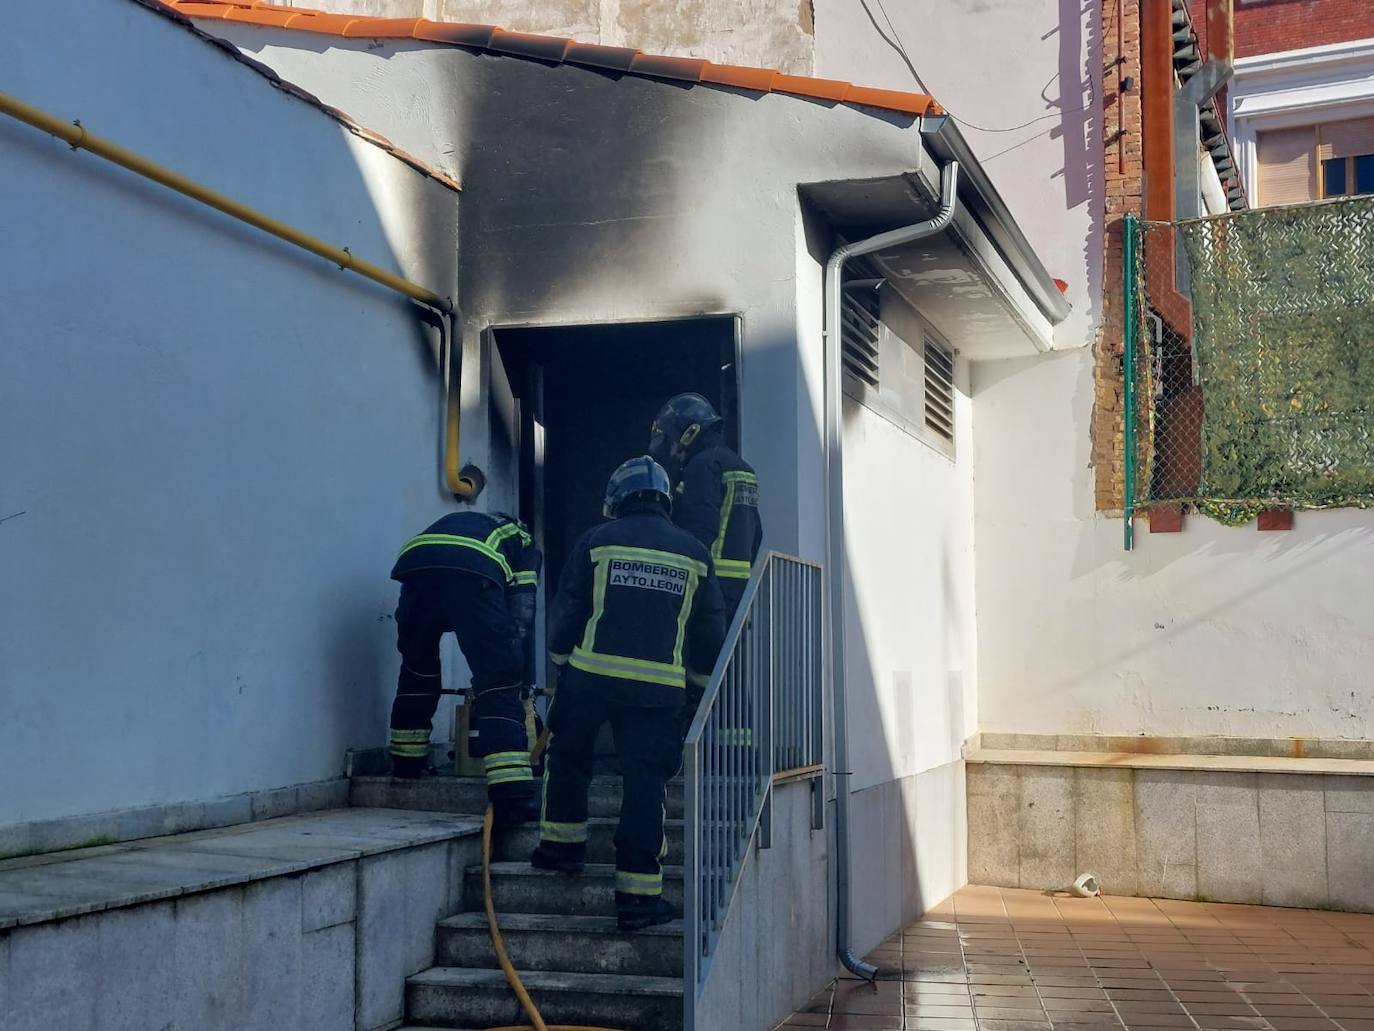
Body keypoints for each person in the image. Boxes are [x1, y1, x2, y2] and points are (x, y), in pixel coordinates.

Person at [531, 456, 725, 930]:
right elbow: (708, 634)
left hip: (589, 679)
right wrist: (697, 688)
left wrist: (561, 662)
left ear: (618, 497)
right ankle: (638, 898)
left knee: (568, 758)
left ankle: (561, 848)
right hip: (658, 692)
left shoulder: (597, 540)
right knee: (645, 785)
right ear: (665, 498)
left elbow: (568, 610)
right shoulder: (695, 553)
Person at [387, 510, 541, 826]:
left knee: (418, 670)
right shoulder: (524, 541)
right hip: (473, 571)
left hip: (415, 568)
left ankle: (406, 764)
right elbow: (523, 606)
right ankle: (511, 795)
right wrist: (514, 659)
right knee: (497, 681)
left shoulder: (462, 522)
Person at [648, 393, 762, 620]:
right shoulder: (741, 468)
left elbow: (699, 531)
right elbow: (756, 533)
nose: (672, 452)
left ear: (689, 433)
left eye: (672, 441)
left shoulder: (702, 467)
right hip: (738, 588)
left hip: (708, 587)